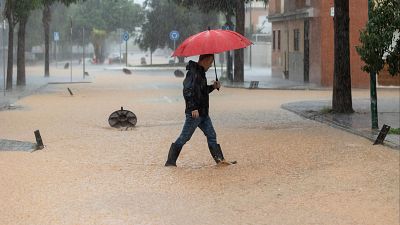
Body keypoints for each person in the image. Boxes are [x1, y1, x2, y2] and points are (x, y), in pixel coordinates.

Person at [165, 54, 232, 167]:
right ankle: (170, 162)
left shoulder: (200, 73)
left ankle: (220, 160)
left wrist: (213, 87)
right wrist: (193, 108)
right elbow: (187, 90)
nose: (211, 65)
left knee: (211, 135)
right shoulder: (193, 73)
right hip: (195, 114)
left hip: (203, 113)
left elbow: (201, 92)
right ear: (205, 60)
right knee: (185, 137)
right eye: (210, 62)